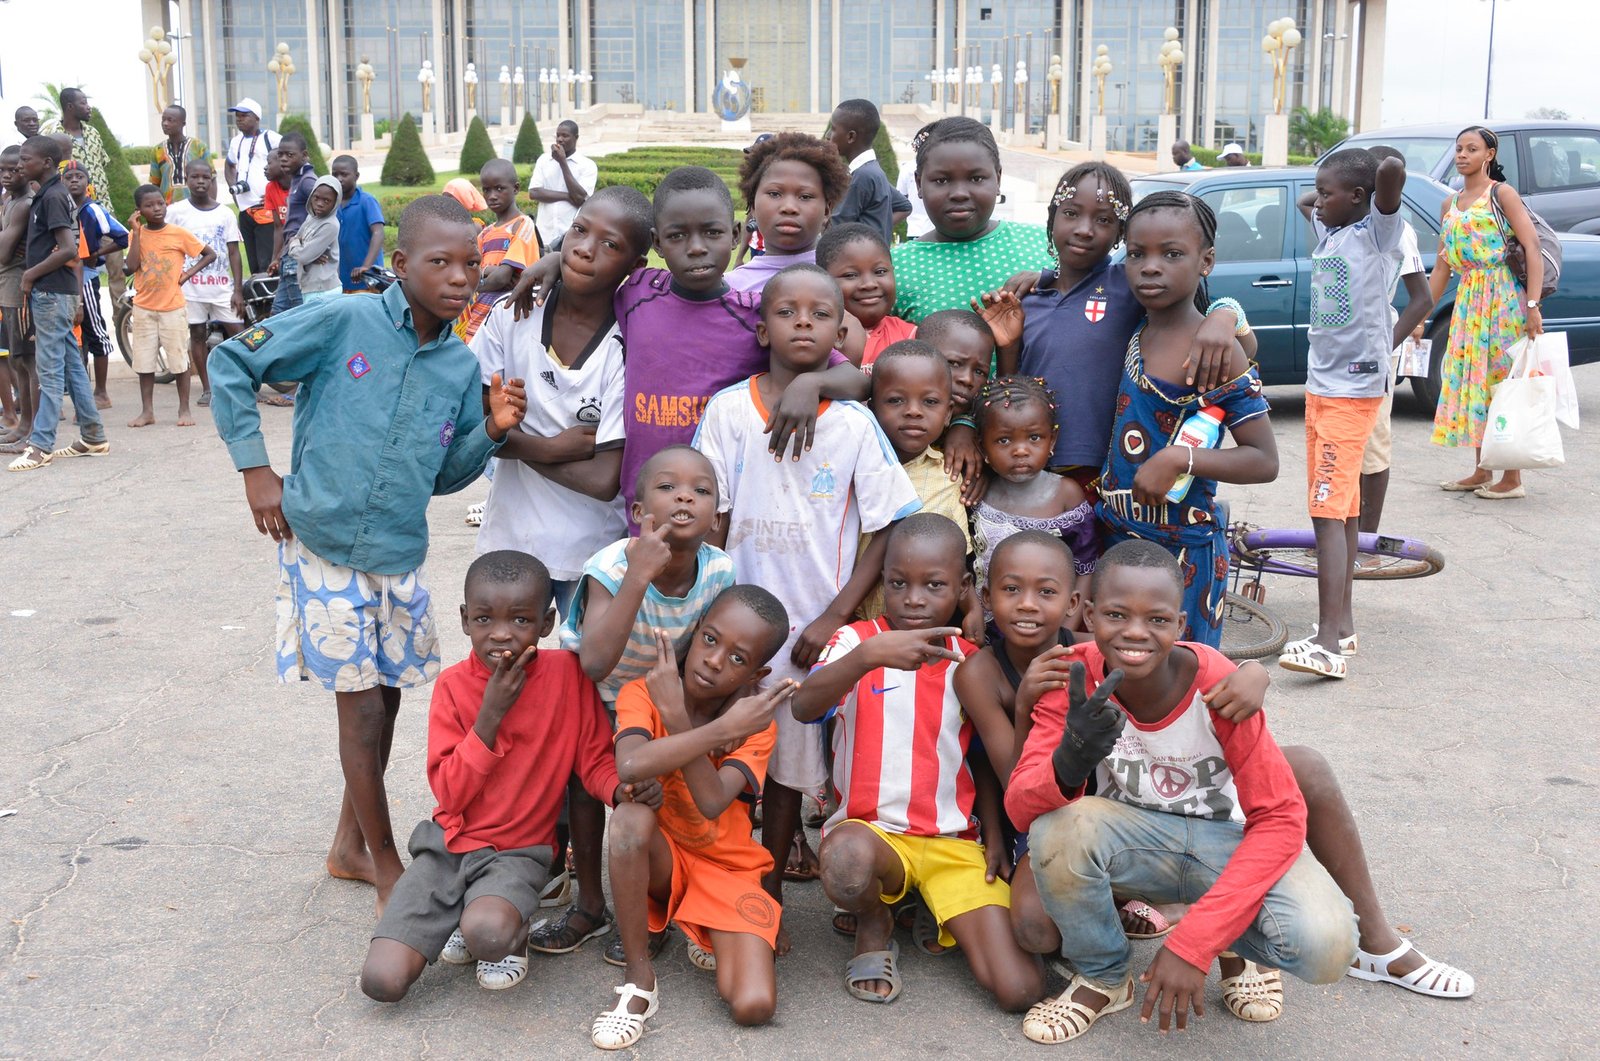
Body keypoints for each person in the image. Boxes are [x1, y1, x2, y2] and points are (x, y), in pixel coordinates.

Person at [207, 195, 529, 913]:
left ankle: (348, 844)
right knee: (359, 712)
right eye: (441, 262)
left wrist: (493, 429)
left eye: (472, 264)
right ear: (400, 264)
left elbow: (443, 475)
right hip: (323, 541)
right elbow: (230, 360)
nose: (459, 278)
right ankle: (385, 862)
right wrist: (256, 468)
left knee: (383, 700)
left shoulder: (456, 365)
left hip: (396, 552)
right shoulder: (344, 318)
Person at [1007, 540, 1359, 1043]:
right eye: (1115, 614)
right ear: (1087, 613)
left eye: (1157, 619)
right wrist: (1070, 758)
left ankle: (1226, 942)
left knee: (1327, 946)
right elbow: (1022, 810)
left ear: (1179, 625)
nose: (1134, 631)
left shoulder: (1219, 685)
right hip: (1135, 844)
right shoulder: (1073, 678)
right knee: (1057, 827)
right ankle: (1105, 977)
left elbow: (1280, 818)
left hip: (1226, 843)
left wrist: (1196, 942)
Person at [692, 263, 919, 949]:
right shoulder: (730, 411)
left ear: (842, 331)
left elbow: (885, 525)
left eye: (821, 314)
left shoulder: (853, 422)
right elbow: (714, 518)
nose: (803, 323)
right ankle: (732, 880)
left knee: (802, 767)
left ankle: (791, 888)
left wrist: (834, 616)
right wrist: (718, 614)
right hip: (741, 624)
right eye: (787, 312)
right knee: (735, 750)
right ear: (761, 327)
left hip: (817, 627)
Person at [359, 550, 651, 1002]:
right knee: (382, 982)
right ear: (464, 620)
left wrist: (622, 788)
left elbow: (593, 761)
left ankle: (503, 931)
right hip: (448, 848)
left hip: (518, 851)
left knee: (488, 936)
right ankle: (460, 906)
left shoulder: (566, 676)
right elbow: (451, 795)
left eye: (520, 620)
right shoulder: (455, 686)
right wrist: (489, 716)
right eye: (483, 619)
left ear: (547, 622)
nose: (501, 635)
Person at [506, 165, 870, 526]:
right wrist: (554, 261)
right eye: (678, 236)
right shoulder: (638, 292)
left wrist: (811, 383)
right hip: (641, 508)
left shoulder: (755, 318)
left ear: (734, 234)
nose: (696, 248)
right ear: (657, 243)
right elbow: (594, 276)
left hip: (717, 514)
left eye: (711, 233)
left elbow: (856, 379)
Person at [794, 513, 1045, 1011]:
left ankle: (931, 901)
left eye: (934, 586)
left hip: (953, 841)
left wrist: (994, 835)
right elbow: (804, 707)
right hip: (872, 836)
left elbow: (981, 759)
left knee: (1020, 990)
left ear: (963, 587)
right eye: (897, 583)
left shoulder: (972, 658)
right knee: (844, 866)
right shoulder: (855, 642)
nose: (913, 599)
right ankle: (875, 921)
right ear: (881, 581)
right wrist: (868, 656)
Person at [549, 445, 735, 963]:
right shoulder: (610, 564)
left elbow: (713, 641)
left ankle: (656, 907)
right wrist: (639, 575)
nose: (684, 496)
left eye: (701, 490)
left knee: (655, 795)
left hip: (659, 698)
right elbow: (595, 662)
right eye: (668, 487)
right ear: (638, 512)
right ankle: (588, 903)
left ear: (717, 513)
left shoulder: (719, 570)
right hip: (594, 696)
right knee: (587, 792)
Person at [593, 587, 797, 1049]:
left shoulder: (756, 722)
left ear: (758, 673)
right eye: (710, 640)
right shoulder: (643, 691)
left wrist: (690, 723)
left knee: (753, 1004)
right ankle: (638, 978)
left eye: (738, 658)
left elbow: (711, 801)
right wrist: (708, 731)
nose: (714, 660)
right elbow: (628, 766)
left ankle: (699, 927)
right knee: (629, 818)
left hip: (728, 869)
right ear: (696, 632)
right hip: (663, 862)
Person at [986, 163, 1249, 497]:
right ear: (1051, 219)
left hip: (1111, 472)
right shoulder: (1028, 297)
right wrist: (1006, 347)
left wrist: (1225, 314)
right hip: (1035, 469)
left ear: (1121, 234)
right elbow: (1014, 387)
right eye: (1070, 213)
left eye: (1104, 220)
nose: (1084, 229)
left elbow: (1222, 328)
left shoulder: (1129, 283)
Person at [1095, 192, 1278, 648]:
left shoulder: (1215, 349)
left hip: (1184, 550)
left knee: (1181, 673)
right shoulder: (1138, 321)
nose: (1150, 267)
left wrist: (1181, 457)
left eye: (1172, 254)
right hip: (1117, 535)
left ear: (1206, 261)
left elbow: (1263, 460)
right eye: (1136, 254)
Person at [1275, 149, 1405, 680]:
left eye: (1331, 192)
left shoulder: (1378, 234)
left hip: (1353, 389)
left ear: (1361, 197)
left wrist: (1372, 177)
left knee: (1326, 512)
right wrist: (1329, 193)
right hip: (1321, 385)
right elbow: (1311, 199)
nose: (1317, 201)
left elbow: (1392, 171)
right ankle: (1343, 628)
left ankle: (1326, 644)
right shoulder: (1330, 233)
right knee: (1342, 509)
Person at [1430, 124, 1542, 499]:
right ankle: (1481, 470)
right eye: (1459, 148)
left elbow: (1531, 247)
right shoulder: (1450, 204)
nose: (1462, 155)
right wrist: (1421, 315)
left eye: (1471, 149)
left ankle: (1512, 478)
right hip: (1469, 301)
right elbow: (1443, 265)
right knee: (1473, 382)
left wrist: (1532, 306)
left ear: (1489, 155)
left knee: (1502, 383)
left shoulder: (1502, 194)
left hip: (1503, 299)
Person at [856, 340, 976, 632]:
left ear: (948, 413)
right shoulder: (853, 469)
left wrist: (972, 608)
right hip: (854, 627)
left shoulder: (947, 476)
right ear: (872, 407)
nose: (913, 412)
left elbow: (957, 562)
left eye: (930, 402)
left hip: (923, 631)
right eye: (896, 400)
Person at [7, 136, 109, 472]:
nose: (20, 165)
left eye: (26, 159)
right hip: (55, 291)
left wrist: (29, 275)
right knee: (71, 365)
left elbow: (68, 249)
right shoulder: (48, 194)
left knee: (48, 371)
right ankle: (93, 437)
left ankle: (40, 446)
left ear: (47, 163)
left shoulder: (53, 196)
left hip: (51, 292)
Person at [891, 118, 1052, 325]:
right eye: (941, 180)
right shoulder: (893, 269)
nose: (959, 194)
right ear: (918, 184)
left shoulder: (1045, 245)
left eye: (976, 179)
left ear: (998, 179)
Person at [1352, 146, 1434, 534]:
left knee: (1372, 447)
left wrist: (1387, 345)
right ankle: (1343, 534)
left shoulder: (1400, 231)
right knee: (1344, 448)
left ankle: (1367, 538)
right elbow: (1307, 202)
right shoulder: (1343, 225)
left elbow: (1423, 298)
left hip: (1374, 354)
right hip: (1340, 354)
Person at [970, 376, 1097, 615]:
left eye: (1034, 437)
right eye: (1004, 440)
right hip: (987, 629)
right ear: (982, 447)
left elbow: (1086, 568)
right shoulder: (979, 493)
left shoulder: (1066, 495)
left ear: (1053, 440)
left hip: (1047, 627)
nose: (1020, 450)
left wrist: (1065, 633)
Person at [123, 184, 214, 428]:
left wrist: (187, 274)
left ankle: (184, 410)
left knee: (178, 360)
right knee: (144, 361)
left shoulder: (177, 233)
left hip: (172, 307)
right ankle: (147, 411)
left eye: (160, 204)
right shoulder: (137, 234)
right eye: (149, 206)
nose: (156, 209)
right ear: (139, 210)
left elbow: (209, 254)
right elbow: (130, 267)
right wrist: (136, 232)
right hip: (143, 307)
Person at [727, 131, 850, 293]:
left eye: (805, 196)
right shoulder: (731, 289)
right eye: (774, 194)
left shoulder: (846, 282)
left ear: (827, 210)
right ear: (753, 207)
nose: (789, 207)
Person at [167, 158, 246, 407]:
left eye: (205, 177)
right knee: (197, 335)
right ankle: (207, 388)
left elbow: (234, 253)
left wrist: (237, 290)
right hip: (190, 289)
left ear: (212, 179)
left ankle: (245, 385)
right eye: (195, 177)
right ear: (186, 179)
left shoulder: (225, 213)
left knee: (240, 335)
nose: (200, 182)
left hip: (222, 288)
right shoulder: (176, 212)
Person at [62, 161, 126, 410]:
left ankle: (101, 392)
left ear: (88, 183)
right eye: (69, 177)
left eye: (79, 176)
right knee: (76, 337)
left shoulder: (92, 211)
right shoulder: (62, 208)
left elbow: (122, 236)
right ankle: (80, 390)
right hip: (63, 277)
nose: (74, 180)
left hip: (86, 277)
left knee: (94, 332)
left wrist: (98, 252)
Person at [455, 158, 538, 343]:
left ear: (516, 188)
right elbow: (469, 270)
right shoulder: (486, 233)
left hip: (508, 319)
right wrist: (488, 273)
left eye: (499, 188)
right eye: (486, 189)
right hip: (477, 317)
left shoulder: (522, 225)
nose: (492, 195)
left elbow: (502, 278)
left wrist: (477, 283)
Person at [816, 222, 915, 366]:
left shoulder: (911, 337)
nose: (869, 284)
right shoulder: (817, 338)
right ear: (822, 281)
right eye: (850, 275)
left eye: (880, 271)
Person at [0, 146, 37, 454]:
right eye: (3, 170)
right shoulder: (8, 200)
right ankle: (23, 426)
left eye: (14, 169)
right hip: (6, 285)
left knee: (28, 360)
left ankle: (32, 428)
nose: (8, 175)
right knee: (15, 359)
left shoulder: (24, 204)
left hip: (18, 287)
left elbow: (4, 252)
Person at [828, 98, 899, 242]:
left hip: (859, 261)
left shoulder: (861, 176)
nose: (828, 135)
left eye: (833, 129)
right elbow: (903, 206)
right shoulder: (874, 171)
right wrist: (878, 231)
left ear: (850, 137)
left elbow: (835, 229)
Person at [223, 99, 280, 275]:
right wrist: (234, 190)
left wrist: (278, 191)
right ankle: (257, 301)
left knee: (267, 261)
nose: (239, 119)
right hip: (245, 209)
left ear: (256, 117)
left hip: (266, 209)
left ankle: (271, 300)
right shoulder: (236, 142)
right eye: (237, 116)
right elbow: (228, 165)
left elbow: (292, 160)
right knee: (253, 262)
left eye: (244, 115)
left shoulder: (271, 138)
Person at [529, 120, 597, 252]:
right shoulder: (544, 160)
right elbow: (534, 193)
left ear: (576, 138)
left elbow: (580, 200)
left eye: (565, 136)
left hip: (571, 235)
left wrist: (562, 162)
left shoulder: (587, 165)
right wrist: (567, 196)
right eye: (558, 135)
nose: (560, 139)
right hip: (544, 234)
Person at [40, 89, 111, 212]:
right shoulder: (52, 135)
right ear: (70, 106)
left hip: (103, 205)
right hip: (73, 208)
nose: (88, 107)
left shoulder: (93, 133)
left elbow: (102, 164)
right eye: (83, 103)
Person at [269, 134, 318, 313]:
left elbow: (326, 214)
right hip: (289, 256)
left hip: (297, 259)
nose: (283, 159)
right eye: (280, 154)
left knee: (301, 316)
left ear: (304, 155)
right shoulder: (297, 179)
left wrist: (315, 249)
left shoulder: (307, 181)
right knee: (277, 315)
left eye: (289, 155)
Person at [330, 155, 385, 293]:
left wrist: (366, 267)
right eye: (335, 174)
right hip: (342, 280)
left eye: (344, 174)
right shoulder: (332, 204)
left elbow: (378, 233)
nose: (339, 179)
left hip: (367, 280)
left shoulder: (366, 201)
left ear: (356, 176)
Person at [286, 176, 343, 301]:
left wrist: (300, 247)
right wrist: (308, 251)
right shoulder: (311, 217)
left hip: (323, 290)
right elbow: (296, 238)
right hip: (311, 287)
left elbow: (303, 256)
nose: (319, 204)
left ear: (335, 203)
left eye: (326, 201)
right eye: (316, 198)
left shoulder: (330, 224)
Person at [148, 105, 211, 204]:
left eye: (170, 120)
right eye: (163, 120)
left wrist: (210, 208)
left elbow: (212, 179)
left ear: (183, 123)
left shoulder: (199, 147)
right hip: (168, 210)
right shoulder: (157, 150)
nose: (165, 123)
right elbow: (155, 184)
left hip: (196, 207)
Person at [896, 163, 933, 239]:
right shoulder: (906, 169)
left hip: (915, 228)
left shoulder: (906, 168)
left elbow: (900, 198)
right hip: (919, 228)